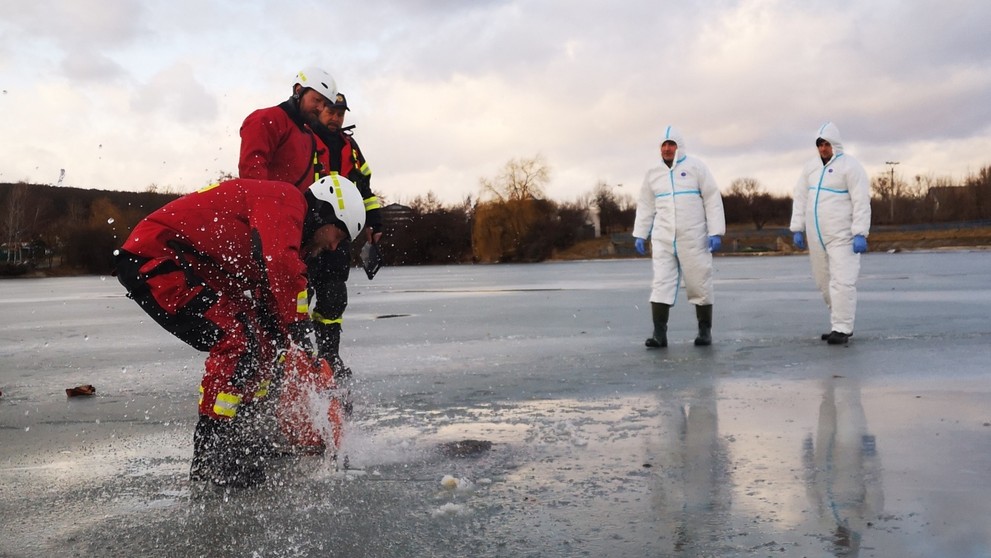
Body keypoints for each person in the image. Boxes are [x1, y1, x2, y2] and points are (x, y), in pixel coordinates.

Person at [113, 176, 364, 488]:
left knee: (261, 342)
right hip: (157, 259)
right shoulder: (287, 201)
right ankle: (213, 454)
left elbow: (270, 286)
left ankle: (241, 436)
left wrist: (284, 338)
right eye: (338, 234)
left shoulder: (286, 224)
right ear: (326, 212)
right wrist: (298, 331)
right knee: (238, 341)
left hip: (183, 264)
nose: (334, 246)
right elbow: (282, 266)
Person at [307, 92, 383, 377]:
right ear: (320, 109)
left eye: (341, 113)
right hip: (309, 231)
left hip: (339, 235)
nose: (336, 117)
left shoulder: (351, 147)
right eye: (331, 110)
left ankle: (329, 357)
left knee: (334, 296)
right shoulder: (304, 138)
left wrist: (375, 224)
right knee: (298, 295)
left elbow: (365, 189)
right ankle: (294, 358)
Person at [632, 126, 725, 348]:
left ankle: (705, 332)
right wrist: (640, 233)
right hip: (663, 238)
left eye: (671, 144)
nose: (667, 149)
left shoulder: (696, 167)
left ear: (679, 147)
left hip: (693, 237)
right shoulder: (653, 173)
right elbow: (645, 205)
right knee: (661, 283)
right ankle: (659, 334)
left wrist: (716, 231)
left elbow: (712, 198)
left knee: (699, 282)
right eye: (664, 145)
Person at [790, 122, 871, 345]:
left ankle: (843, 328)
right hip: (817, 237)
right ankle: (838, 322)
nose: (823, 149)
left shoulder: (850, 166)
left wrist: (860, 232)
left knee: (842, 281)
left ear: (835, 144)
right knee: (823, 281)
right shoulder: (810, 168)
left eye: (827, 144)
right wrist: (797, 227)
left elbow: (861, 200)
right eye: (820, 145)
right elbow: (800, 197)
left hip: (842, 236)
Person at [238, 67, 338, 189]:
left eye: (325, 104)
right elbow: (252, 172)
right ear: (298, 90)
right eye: (317, 100)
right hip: (269, 205)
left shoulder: (309, 136)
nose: (320, 108)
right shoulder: (267, 119)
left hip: (295, 207)